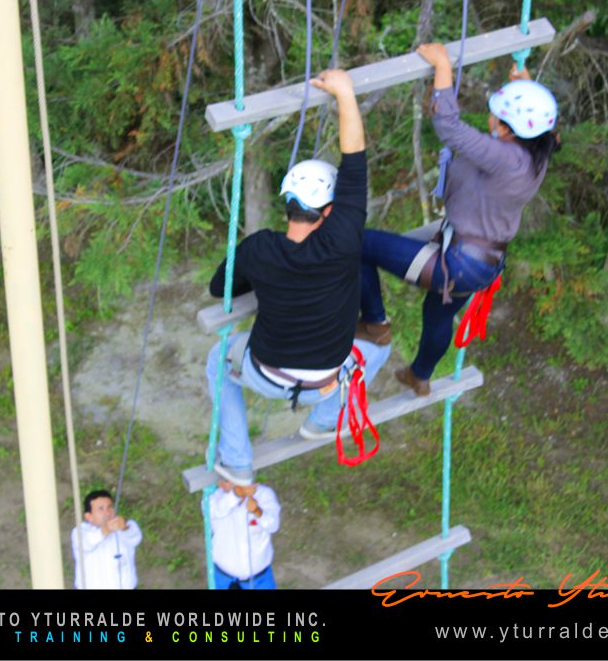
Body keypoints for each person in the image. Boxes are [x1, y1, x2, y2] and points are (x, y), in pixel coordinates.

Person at [206, 68, 391, 485]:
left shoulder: (260, 249)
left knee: (219, 359)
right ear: (329, 211)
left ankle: (237, 461)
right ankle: (323, 421)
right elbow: (355, 157)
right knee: (378, 348)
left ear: (287, 202)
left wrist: (263, 277)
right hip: (327, 379)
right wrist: (344, 94)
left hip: (265, 374)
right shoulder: (343, 239)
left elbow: (220, 289)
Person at [355, 44, 560, 396]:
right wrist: (526, 87)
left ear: (509, 129)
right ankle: (420, 374)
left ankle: (374, 323)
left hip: (458, 260)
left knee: (355, 243)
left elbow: (448, 125)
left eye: (496, 116)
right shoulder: (539, 151)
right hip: (482, 263)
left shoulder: (504, 157)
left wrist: (442, 66)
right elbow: (548, 130)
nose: (490, 119)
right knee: (436, 315)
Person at [207, 479, 281, 589]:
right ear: (220, 483)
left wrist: (257, 511)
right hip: (224, 581)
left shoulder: (264, 494)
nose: (234, 484)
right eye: (227, 480)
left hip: (260, 580)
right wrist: (236, 495)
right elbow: (212, 512)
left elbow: (273, 525)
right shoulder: (213, 499)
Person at [70, 489, 142, 589]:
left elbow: (135, 538)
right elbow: (86, 543)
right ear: (89, 516)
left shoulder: (126, 527)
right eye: (101, 509)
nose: (107, 512)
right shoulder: (80, 531)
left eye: (109, 507)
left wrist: (124, 528)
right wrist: (105, 530)